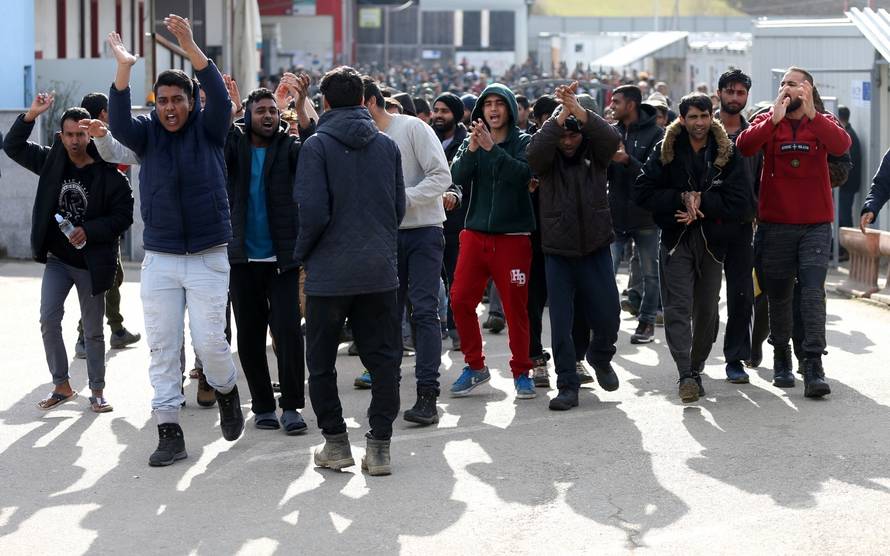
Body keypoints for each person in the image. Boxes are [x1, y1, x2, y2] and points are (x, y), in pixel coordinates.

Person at [107, 20, 245, 467]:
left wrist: (190, 48)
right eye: (162, 101)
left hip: (208, 257)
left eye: (177, 100)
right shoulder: (145, 135)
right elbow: (121, 121)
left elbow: (221, 98)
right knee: (163, 347)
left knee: (211, 344)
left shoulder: (209, 130)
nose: (169, 108)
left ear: (191, 103)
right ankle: (169, 431)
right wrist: (124, 70)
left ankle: (226, 390)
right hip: (161, 260)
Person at [295, 66, 405, 476]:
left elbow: (313, 213)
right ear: (363, 100)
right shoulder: (387, 146)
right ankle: (379, 448)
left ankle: (337, 444)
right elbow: (397, 209)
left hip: (329, 273)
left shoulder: (317, 146)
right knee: (383, 360)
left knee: (322, 361)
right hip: (379, 271)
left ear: (324, 102)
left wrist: (301, 252)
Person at [3, 94, 133, 413]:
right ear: (60, 136)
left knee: (93, 332)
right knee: (49, 319)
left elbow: (124, 215)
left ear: (90, 134)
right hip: (58, 261)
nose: (75, 141)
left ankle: (98, 391)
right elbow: (13, 146)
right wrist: (31, 115)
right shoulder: (52, 162)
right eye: (69, 134)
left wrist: (90, 230)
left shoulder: (108, 174)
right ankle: (61, 385)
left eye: (81, 134)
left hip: (91, 263)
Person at [737, 67, 851, 399]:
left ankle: (813, 363)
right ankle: (781, 357)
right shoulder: (768, 118)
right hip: (775, 225)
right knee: (779, 295)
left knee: (813, 292)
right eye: (784, 83)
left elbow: (841, 146)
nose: (788, 88)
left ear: (810, 89)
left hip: (815, 224)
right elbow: (745, 146)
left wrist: (813, 113)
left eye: (795, 83)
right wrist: (772, 119)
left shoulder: (824, 122)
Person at [635, 92, 748, 403]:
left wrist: (703, 201)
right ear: (681, 120)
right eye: (693, 117)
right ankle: (685, 372)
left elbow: (742, 202)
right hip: (676, 239)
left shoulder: (728, 152)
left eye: (704, 116)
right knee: (677, 308)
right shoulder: (665, 149)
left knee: (707, 311)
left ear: (712, 117)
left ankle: (696, 366)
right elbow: (642, 191)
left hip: (712, 242)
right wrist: (680, 198)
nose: (699, 123)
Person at [224, 73, 315, 434]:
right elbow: (216, 138)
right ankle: (262, 405)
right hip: (242, 260)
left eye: (273, 111)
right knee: (249, 336)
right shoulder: (235, 145)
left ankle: (291, 406)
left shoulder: (289, 148)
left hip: (283, 260)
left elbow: (314, 144)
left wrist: (303, 102)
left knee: (289, 333)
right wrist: (229, 112)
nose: (267, 116)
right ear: (248, 115)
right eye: (260, 110)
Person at [526, 82, 622, 410]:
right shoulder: (546, 160)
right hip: (558, 252)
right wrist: (559, 117)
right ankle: (567, 383)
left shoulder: (596, 155)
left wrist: (579, 112)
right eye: (563, 135)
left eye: (574, 133)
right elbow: (533, 153)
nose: (568, 142)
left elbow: (611, 138)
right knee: (562, 323)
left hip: (595, 247)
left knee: (609, 314)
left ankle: (600, 355)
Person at [362, 76, 451, 425]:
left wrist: (402, 200)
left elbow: (440, 175)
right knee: (386, 317)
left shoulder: (412, 128)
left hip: (424, 232)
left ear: (369, 102)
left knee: (425, 312)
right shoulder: (364, 139)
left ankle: (428, 394)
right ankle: (388, 393)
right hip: (384, 237)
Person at [449, 83, 537, 400]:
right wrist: (474, 149)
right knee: (459, 300)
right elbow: (456, 174)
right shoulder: (472, 141)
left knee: (515, 310)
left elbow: (522, 175)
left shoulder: (523, 141)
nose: (494, 110)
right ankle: (475, 367)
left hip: (513, 239)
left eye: (500, 104)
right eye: (488, 105)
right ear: (481, 111)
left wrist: (492, 150)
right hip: (474, 236)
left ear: (511, 109)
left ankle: (522, 371)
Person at [70, 93, 141, 356]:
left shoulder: (95, 138)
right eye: (108, 110)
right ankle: (84, 335)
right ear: (101, 113)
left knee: (112, 275)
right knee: (102, 277)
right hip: (95, 223)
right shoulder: (95, 142)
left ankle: (116, 329)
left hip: (106, 220)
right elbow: (119, 163)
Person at [608, 85, 664, 344]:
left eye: (616, 102)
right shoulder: (612, 131)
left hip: (646, 217)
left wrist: (627, 160)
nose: (612, 106)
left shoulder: (657, 134)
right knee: (606, 272)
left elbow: (656, 175)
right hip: (615, 216)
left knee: (651, 274)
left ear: (630, 105)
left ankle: (647, 322)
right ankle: (605, 322)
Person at [715, 69, 760, 384]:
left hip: (743, 226)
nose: (734, 98)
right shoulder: (700, 126)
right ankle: (694, 360)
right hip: (702, 226)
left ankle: (735, 358)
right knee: (701, 301)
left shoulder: (755, 135)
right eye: (729, 91)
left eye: (740, 93)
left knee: (741, 295)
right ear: (719, 93)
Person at [433, 93, 468, 352]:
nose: (438, 115)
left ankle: (458, 330)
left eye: (444, 111)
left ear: (455, 116)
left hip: (459, 223)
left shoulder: (466, 143)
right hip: (431, 221)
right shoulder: (427, 140)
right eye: (436, 110)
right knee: (433, 282)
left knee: (457, 281)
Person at [837, 105, 862, 251]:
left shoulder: (848, 136)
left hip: (847, 185)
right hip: (847, 184)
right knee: (843, 216)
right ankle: (843, 249)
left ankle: (845, 249)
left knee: (844, 217)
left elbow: (848, 162)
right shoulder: (849, 133)